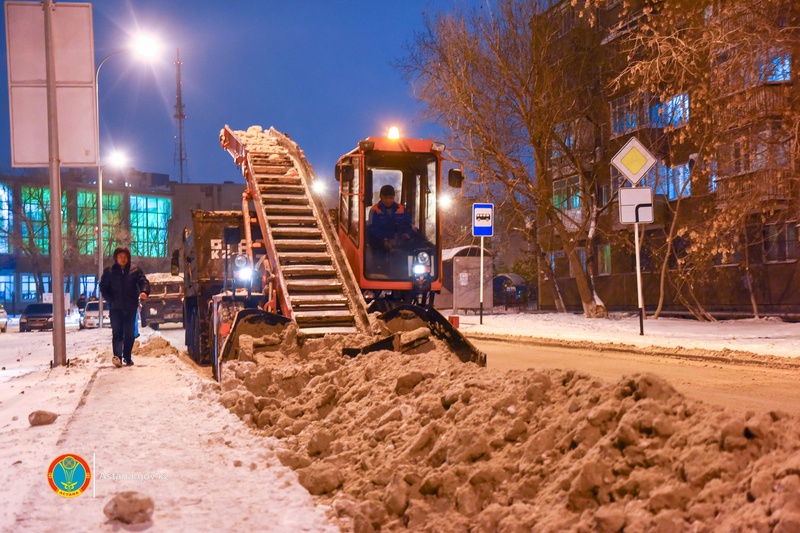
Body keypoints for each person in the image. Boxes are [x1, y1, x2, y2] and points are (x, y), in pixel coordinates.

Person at [100, 247, 150, 367]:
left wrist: (144, 291)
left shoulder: (135, 270)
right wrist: (111, 300)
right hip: (115, 308)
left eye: (125, 257)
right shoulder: (109, 272)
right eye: (120, 257)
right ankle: (117, 357)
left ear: (128, 258)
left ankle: (127, 357)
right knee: (117, 332)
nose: (122, 259)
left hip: (130, 308)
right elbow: (103, 288)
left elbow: (144, 282)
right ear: (116, 258)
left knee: (129, 334)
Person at [367, 184, 412, 253]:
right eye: (386, 198)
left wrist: (407, 234)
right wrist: (385, 239)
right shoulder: (375, 210)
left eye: (391, 198)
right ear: (381, 197)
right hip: (380, 246)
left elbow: (408, 225)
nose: (388, 200)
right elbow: (373, 229)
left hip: (400, 244)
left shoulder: (401, 209)